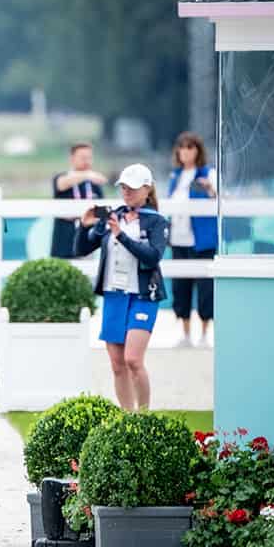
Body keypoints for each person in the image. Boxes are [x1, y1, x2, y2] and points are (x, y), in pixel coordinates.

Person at [74, 163, 168, 411]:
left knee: (133, 360)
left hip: (143, 295)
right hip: (113, 294)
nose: (127, 192)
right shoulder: (112, 215)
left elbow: (153, 257)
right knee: (117, 364)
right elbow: (82, 249)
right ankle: (128, 419)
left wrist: (122, 236)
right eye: (124, 187)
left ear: (147, 189)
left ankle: (144, 416)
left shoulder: (156, 221)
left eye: (133, 188)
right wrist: (83, 227)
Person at [165, 131, 217, 347]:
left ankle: (205, 333)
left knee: (205, 287)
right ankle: (186, 334)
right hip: (179, 238)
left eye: (190, 147)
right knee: (181, 286)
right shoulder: (175, 176)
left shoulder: (208, 172)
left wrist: (209, 188)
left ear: (198, 151)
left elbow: (219, 197)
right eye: (182, 147)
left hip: (201, 239)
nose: (185, 151)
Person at [50, 142, 105, 259]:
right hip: (64, 241)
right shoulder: (62, 177)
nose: (87, 161)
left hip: (87, 241)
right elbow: (61, 184)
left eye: (89, 158)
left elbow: (102, 211)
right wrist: (87, 175)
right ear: (72, 158)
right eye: (83, 157)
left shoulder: (94, 184)